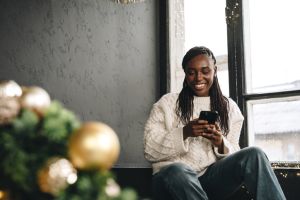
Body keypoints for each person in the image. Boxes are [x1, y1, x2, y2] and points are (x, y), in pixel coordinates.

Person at [143, 46, 286, 200]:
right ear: (185, 73)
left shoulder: (230, 108)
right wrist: (185, 132)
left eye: (205, 71)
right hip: (170, 180)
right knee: (178, 170)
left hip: (210, 180)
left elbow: (234, 153)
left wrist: (220, 143)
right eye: (191, 72)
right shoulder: (167, 103)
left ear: (215, 70)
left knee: (254, 154)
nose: (198, 78)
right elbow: (149, 150)